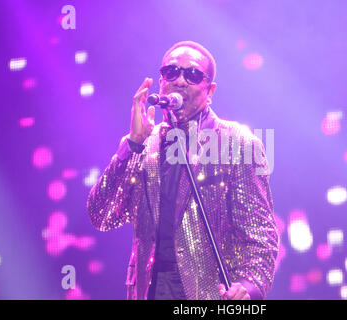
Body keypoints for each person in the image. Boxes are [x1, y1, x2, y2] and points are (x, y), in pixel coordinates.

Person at [87, 41, 278, 300]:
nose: (180, 80)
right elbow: (102, 216)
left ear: (209, 91)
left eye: (192, 74)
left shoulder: (238, 143)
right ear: (161, 82)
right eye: (171, 72)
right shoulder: (140, 144)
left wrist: (249, 288)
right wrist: (131, 145)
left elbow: (260, 237)